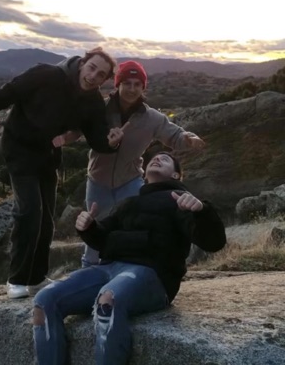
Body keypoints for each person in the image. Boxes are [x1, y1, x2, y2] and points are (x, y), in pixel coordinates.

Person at [0, 47, 126, 299]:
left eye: (100, 75)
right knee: (29, 211)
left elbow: (96, 138)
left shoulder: (93, 101)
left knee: (46, 219)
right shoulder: (46, 74)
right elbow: (2, 96)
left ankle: (37, 278)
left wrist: (111, 142)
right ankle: (17, 279)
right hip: (19, 148)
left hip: (47, 156)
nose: (93, 76)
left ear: (105, 80)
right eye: (92, 68)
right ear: (82, 63)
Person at [32, 152, 226, 365]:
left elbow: (213, 243)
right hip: (107, 269)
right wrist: (88, 227)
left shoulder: (179, 200)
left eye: (165, 159)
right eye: (154, 157)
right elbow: (103, 239)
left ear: (176, 175)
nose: (157, 159)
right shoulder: (129, 203)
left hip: (151, 274)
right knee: (44, 300)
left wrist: (202, 211)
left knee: (108, 300)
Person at [53, 60, 206, 267]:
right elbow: (77, 129)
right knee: (95, 227)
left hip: (131, 181)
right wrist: (62, 138)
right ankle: (89, 269)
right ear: (118, 84)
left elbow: (174, 135)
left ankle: (125, 269)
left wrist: (189, 139)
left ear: (143, 87)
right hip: (98, 181)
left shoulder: (152, 118)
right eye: (127, 83)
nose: (132, 89)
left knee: (131, 227)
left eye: (137, 84)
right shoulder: (99, 108)